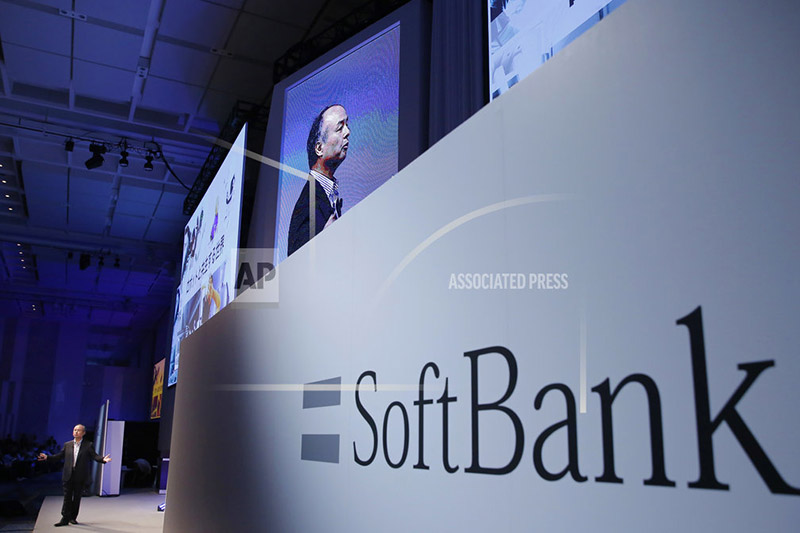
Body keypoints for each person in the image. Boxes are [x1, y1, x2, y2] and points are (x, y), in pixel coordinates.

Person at [287, 104, 350, 256]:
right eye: (339, 128)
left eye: (347, 125)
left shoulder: (326, 193)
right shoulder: (308, 203)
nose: (347, 133)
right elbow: (295, 264)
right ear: (319, 149)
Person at [38, 424, 111, 527]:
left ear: (83, 433)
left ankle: (73, 517)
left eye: (78, 430)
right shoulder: (67, 445)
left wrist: (103, 459)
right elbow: (59, 456)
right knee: (67, 497)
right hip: (68, 475)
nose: (76, 432)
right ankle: (64, 518)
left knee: (76, 497)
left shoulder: (88, 445)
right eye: (75, 430)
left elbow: (94, 456)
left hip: (80, 476)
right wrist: (47, 458)